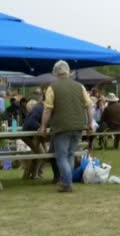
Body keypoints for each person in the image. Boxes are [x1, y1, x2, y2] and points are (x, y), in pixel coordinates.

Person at [39, 60, 93, 192]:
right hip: (78, 126)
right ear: (68, 71)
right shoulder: (79, 86)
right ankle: (66, 181)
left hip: (61, 127)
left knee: (61, 156)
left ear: (55, 73)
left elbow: (47, 109)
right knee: (70, 154)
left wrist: (43, 126)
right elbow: (89, 105)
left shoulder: (53, 87)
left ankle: (67, 183)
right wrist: (90, 123)